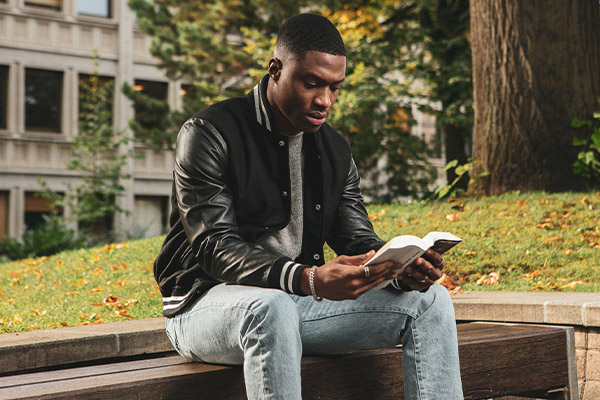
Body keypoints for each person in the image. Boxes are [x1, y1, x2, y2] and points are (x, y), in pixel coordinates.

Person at [154, 12, 463, 400]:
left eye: (335, 87)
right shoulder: (210, 133)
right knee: (271, 308)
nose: (325, 100)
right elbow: (215, 247)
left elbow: (358, 241)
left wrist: (400, 270)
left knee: (430, 302)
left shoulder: (333, 150)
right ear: (276, 70)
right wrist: (309, 279)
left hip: (296, 304)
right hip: (203, 306)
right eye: (312, 83)